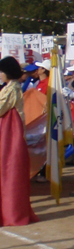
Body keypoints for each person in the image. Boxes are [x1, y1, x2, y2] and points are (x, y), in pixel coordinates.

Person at [0, 56, 38, 227]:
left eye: (1, 71)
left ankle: (11, 212)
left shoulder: (12, 88)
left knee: (9, 172)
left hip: (10, 137)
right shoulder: (10, 87)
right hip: (9, 135)